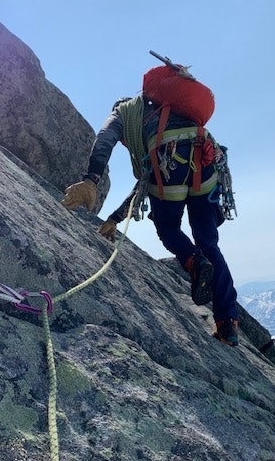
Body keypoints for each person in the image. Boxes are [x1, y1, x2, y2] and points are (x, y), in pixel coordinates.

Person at [62, 91, 239, 346]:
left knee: (167, 228)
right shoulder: (169, 115)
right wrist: (115, 217)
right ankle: (227, 324)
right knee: (208, 243)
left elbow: (105, 139)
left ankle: (194, 261)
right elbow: (145, 180)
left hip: (171, 162)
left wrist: (91, 180)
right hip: (206, 161)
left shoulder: (122, 113)